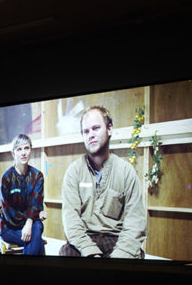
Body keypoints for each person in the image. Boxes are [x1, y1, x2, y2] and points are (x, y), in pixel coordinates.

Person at [59, 106, 146, 258]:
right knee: (66, 256)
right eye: (86, 131)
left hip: (117, 241)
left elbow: (135, 222)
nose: (90, 135)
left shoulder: (126, 171)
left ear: (109, 129)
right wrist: (90, 253)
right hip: (85, 240)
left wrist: (119, 255)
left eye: (95, 128)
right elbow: (71, 221)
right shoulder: (74, 172)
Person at [0, 133, 46, 255]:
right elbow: (9, 214)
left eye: (26, 148)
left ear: (31, 150)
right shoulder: (6, 178)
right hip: (8, 228)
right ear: (13, 153)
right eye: (19, 149)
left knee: (37, 226)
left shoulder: (37, 176)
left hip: (30, 226)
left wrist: (30, 222)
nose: (23, 153)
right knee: (37, 238)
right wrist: (33, 217)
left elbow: (36, 204)